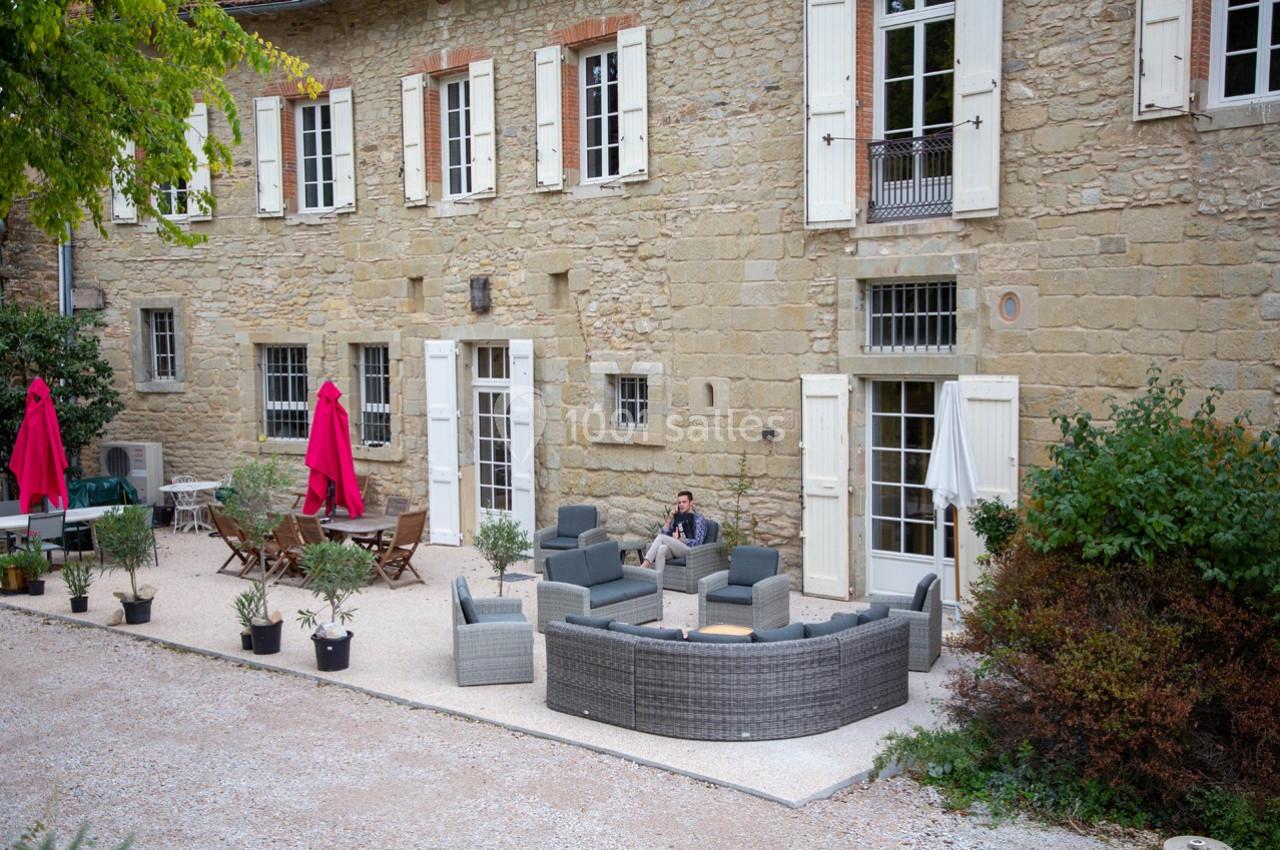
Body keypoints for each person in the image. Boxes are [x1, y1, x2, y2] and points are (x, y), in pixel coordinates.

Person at [641, 490, 708, 571]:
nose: (681, 505)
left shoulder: (698, 519)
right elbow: (664, 534)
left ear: (691, 503)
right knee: (662, 548)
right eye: (679, 503)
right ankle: (658, 581)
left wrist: (680, 539)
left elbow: (698, 543)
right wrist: (670, 518)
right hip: (676, 548)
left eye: (684, 502)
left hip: (690, 551)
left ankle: (644, 565)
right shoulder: (677, 517)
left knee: (661, 538)